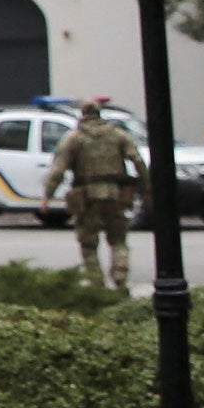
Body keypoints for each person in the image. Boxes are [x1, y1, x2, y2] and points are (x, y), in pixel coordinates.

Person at [47, 98, 147, 290]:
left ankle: (96, 282)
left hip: (86, 196)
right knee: (118, 239)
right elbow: (137, 160)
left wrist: (47, 195)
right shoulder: (118, 135)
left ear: (82, 114)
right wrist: (147, 186)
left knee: (88, 243)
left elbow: (58, 169)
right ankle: (120, 273)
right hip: (116, 194)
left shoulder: (73, 138)